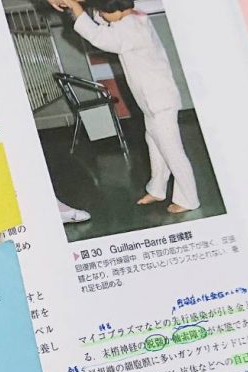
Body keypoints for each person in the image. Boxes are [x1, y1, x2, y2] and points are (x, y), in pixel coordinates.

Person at [51, 0, 200, 213]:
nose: (101, 16)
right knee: (156, 145)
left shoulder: (131, 30)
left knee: (172, 151)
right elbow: (106, 24)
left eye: (102, 11)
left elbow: (99, 37)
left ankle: (188, 199)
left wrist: (77, 9)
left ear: (116, 10)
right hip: (153, 101)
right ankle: (157, 189)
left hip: (159, 102)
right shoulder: (133, 18)